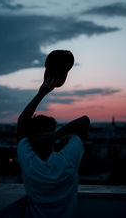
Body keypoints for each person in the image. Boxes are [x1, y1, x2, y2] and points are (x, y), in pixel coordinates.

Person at [17, 76, 90, 218]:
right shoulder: (67, 161)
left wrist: (41, 93)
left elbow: (22, 123)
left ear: (31, 138)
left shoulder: (29, 162)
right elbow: (84, 121)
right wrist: (57, 135)